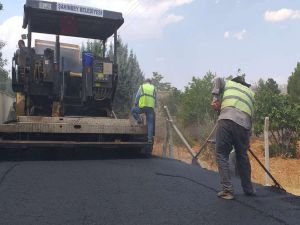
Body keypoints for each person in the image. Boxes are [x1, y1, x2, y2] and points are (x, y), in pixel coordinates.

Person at [211, 75, 255, 200]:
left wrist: (215, 98)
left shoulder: (229, 83)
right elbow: (251, 117)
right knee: (242, 156)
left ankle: (227, 190)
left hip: (226, 120)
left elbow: (218, 79)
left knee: (221, 153)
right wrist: (247, 138)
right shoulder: (250, 93)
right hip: (244, 125)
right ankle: (248, 189)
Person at [131, 79, 157, 143]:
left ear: (145, 82)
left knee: (133, 110)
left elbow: (137, 96)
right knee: (150, 123)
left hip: (142, 107)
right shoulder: (154, 88)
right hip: (150, 108)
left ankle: (139, 120)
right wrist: (155, 107)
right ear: (150, 83)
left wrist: (135, 104)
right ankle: (149, 139)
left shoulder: (142, 86)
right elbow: (156, 99)